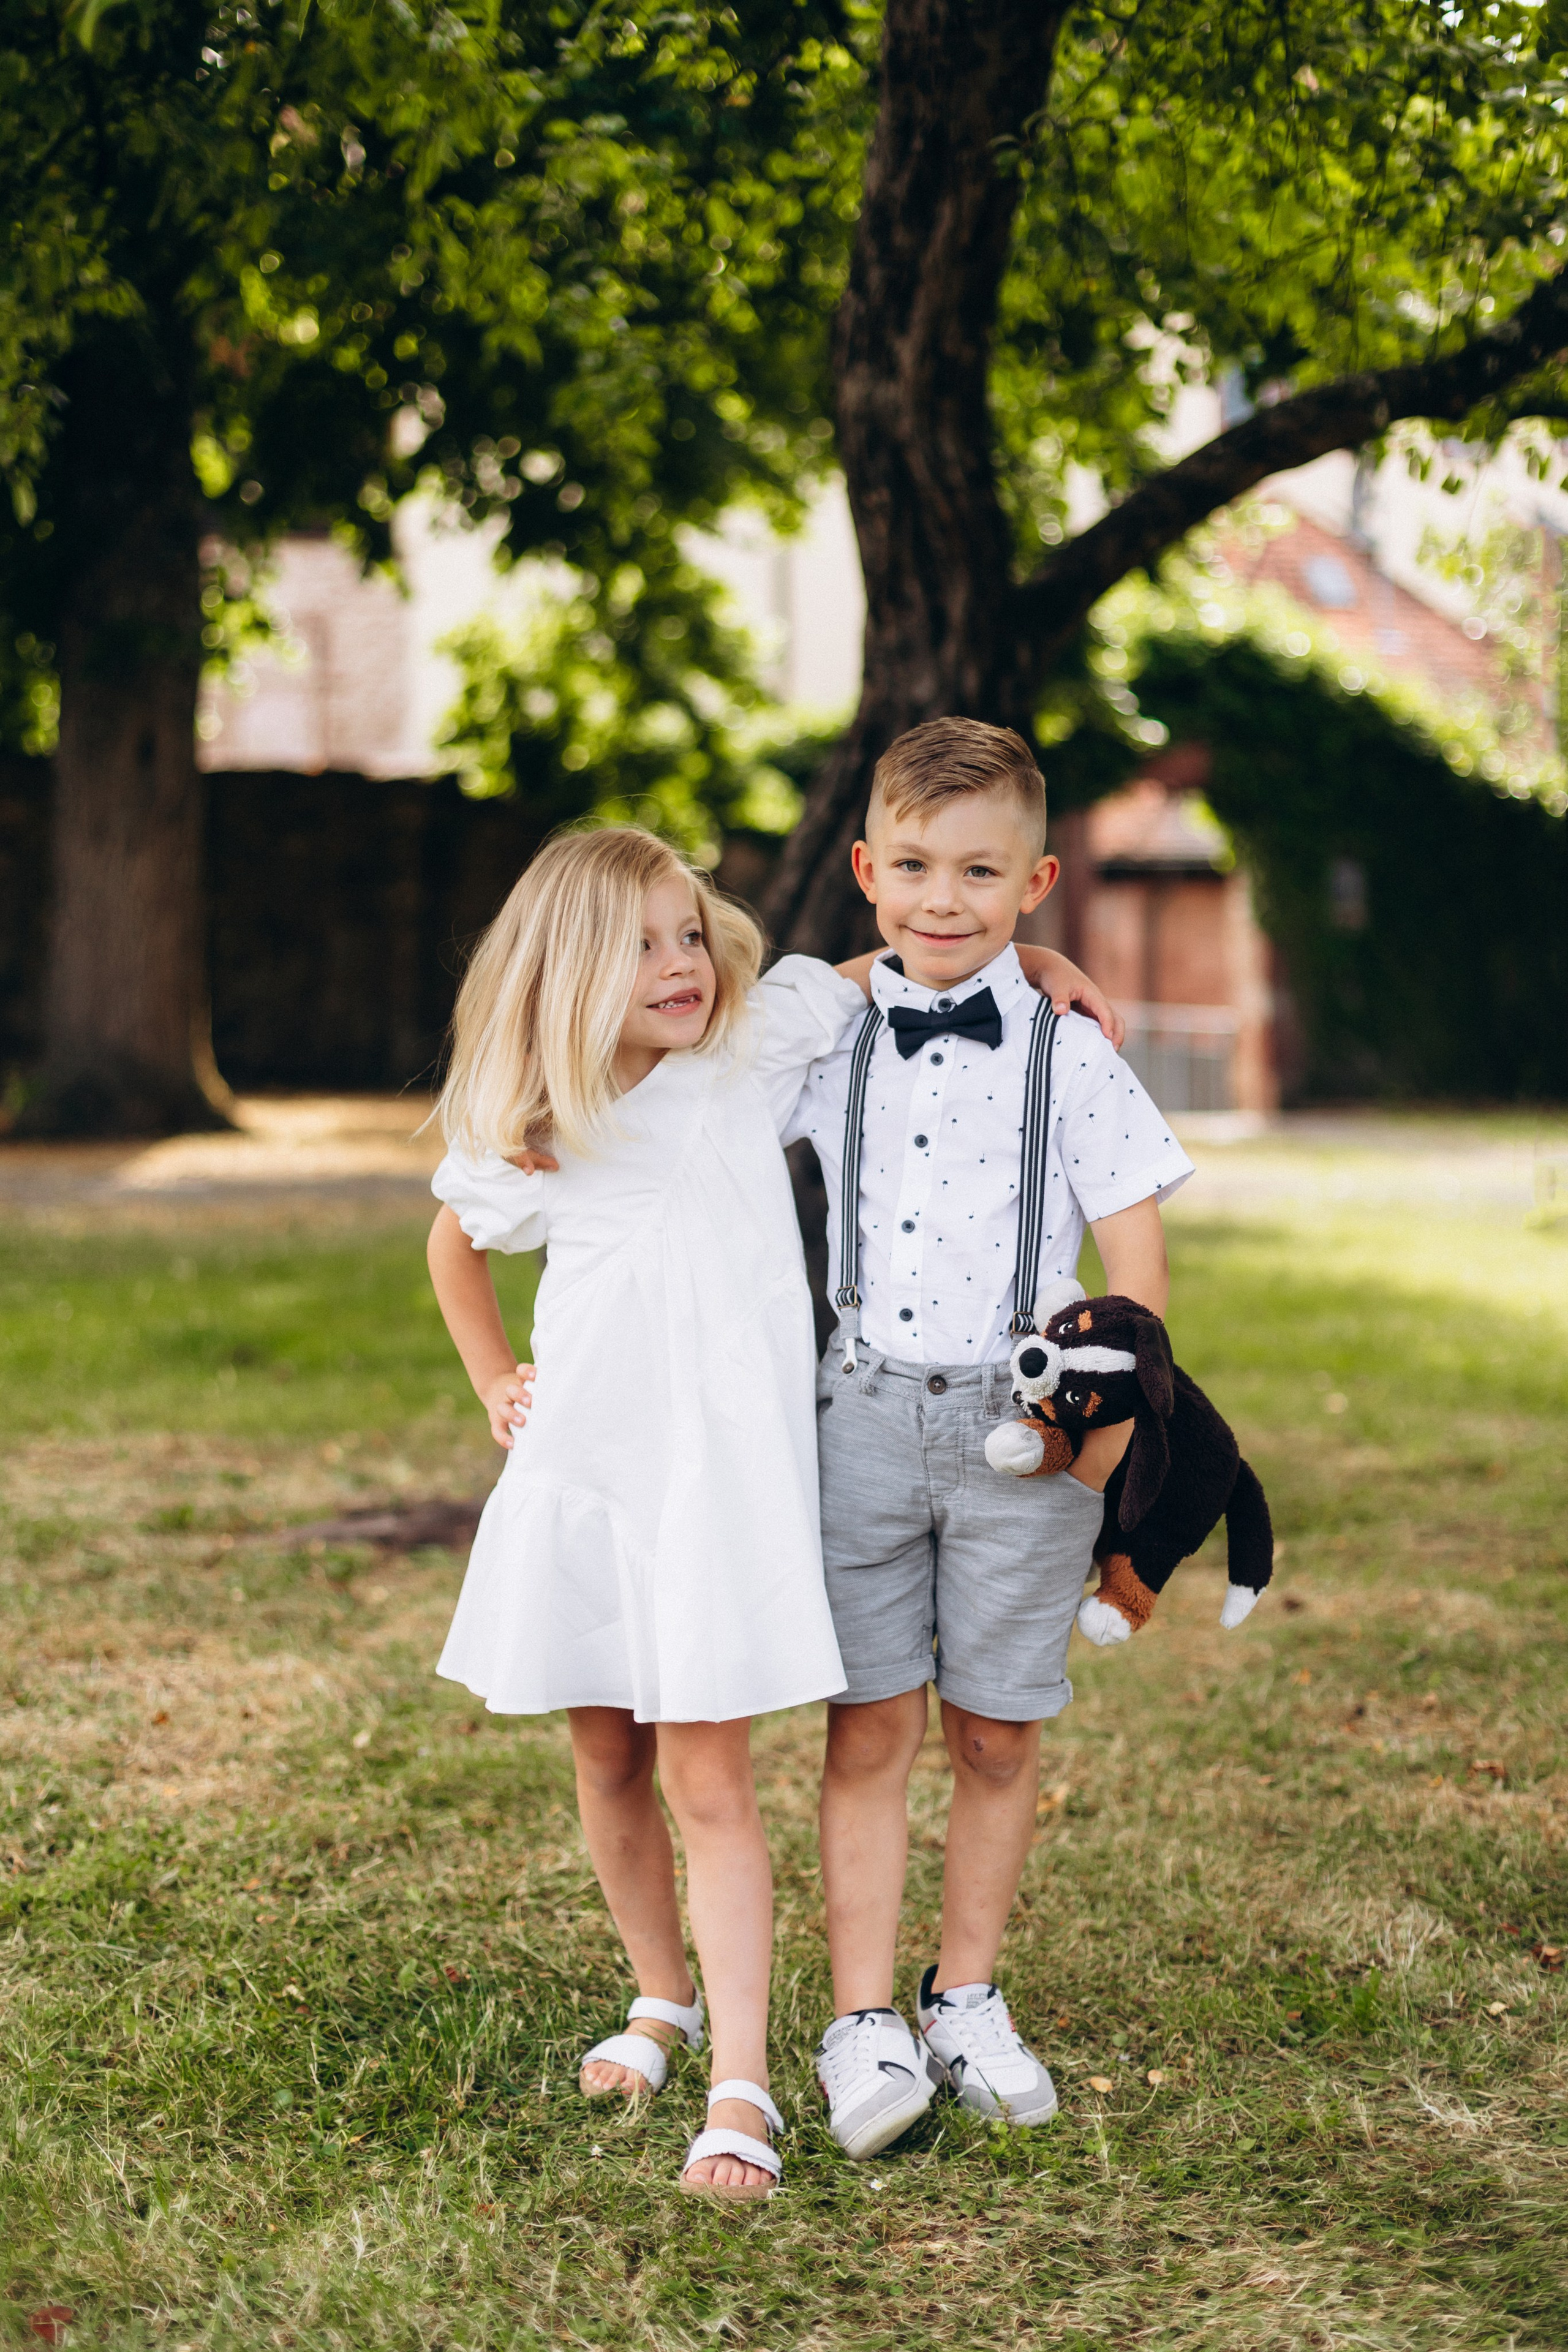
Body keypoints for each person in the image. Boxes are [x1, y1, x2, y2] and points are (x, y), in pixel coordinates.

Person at [424, 823, 1112, 2199]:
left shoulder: (752, 1046)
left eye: (690, 932)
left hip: (719, 1489)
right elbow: (453, 1239)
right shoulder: (536, 1128)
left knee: (705, 1780)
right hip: (591, 1473)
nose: (682, 965)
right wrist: (496, 1377)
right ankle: (659, 1998)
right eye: (641, 947)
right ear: (562, 971)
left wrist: (1022, 947)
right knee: (605, 1755)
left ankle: (740, 2079)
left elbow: (899, 962)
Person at [782, 717, 1195, 2160]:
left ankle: (962, 1992)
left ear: (1037, 882)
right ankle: (857, 2022)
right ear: (863, 869)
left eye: (977, 871)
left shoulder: (1071, 1058)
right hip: (860, 1415)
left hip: (1023, 1425)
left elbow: (1134, 1263)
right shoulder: (820, 1027)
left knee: (997, 1728)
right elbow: (689, 1058)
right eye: (910, 866)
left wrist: (1095, 1430)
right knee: (869, 1721)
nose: (939, 897)